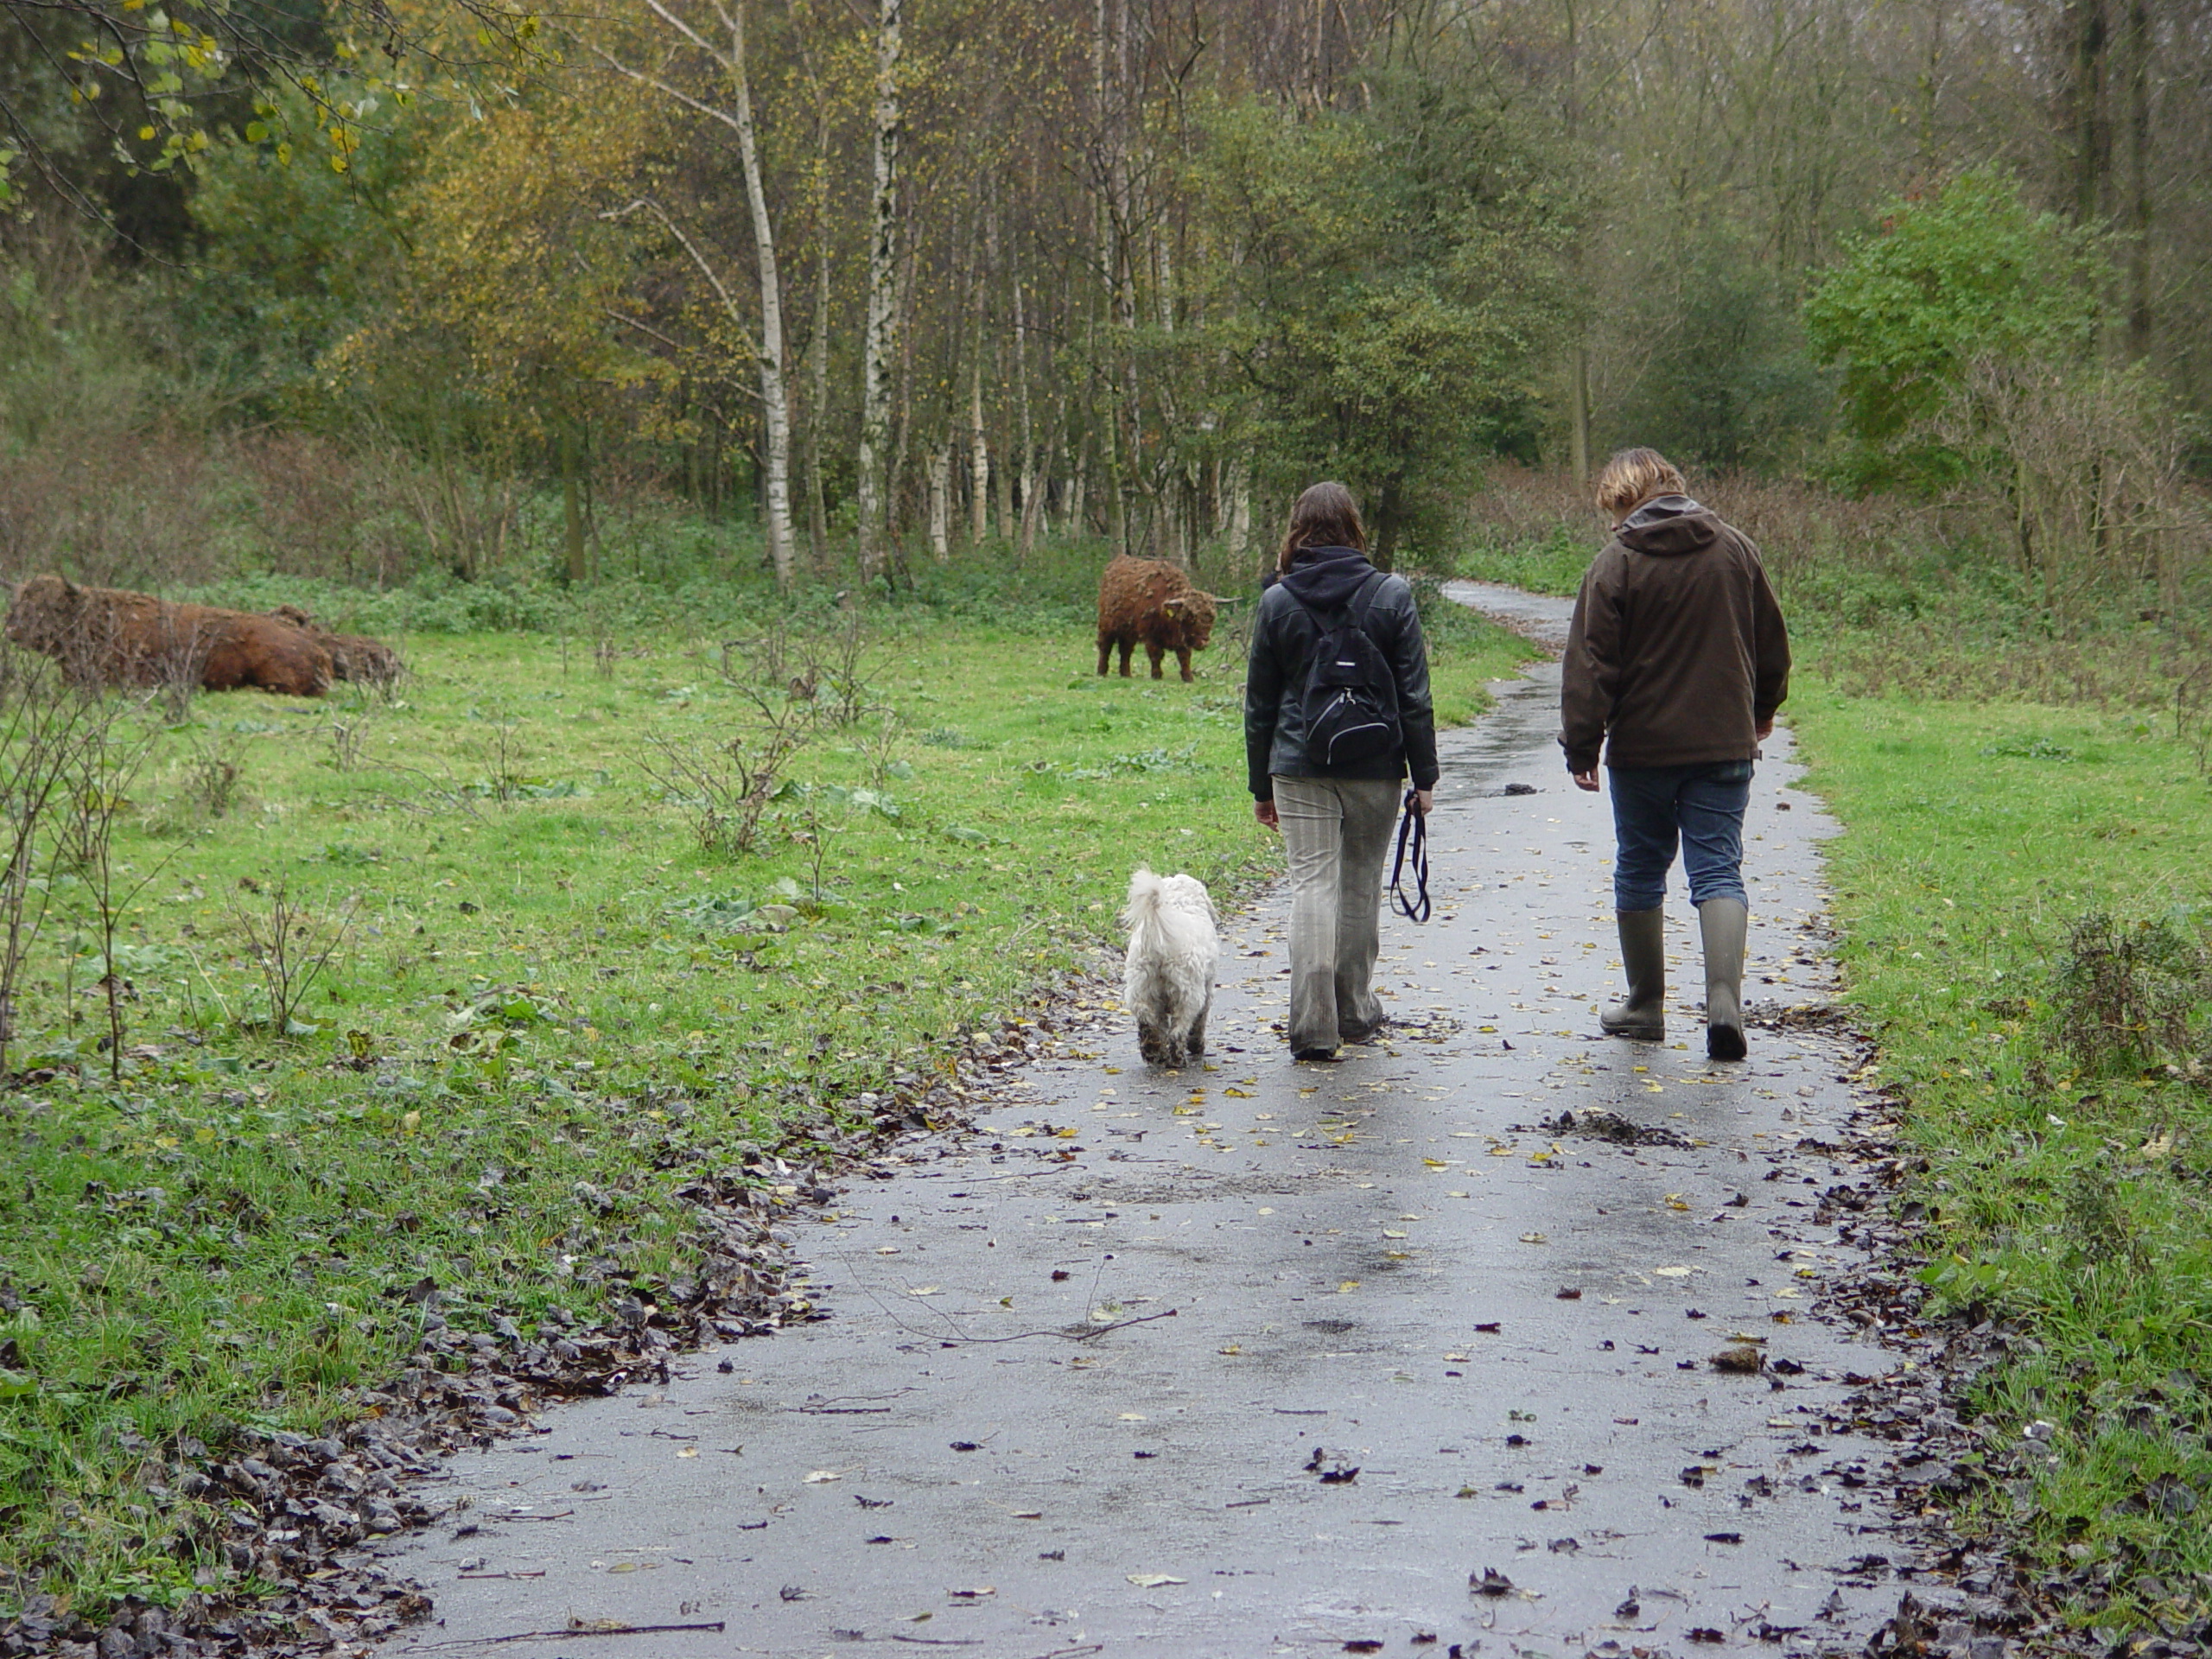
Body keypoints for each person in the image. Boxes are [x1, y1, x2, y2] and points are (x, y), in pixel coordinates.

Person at [1560, 448, 1790, 1060]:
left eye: (1614, 509)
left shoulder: (1617, 564)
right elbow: (1771, 644)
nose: (1611, 525)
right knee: (1717, 869)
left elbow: (1591, 664)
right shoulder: (1736, 549)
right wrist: (1762, 711)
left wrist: (1582, 742)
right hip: (1723, 745)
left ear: (1627, 499)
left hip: (1643, 752)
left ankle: (1645, 1006)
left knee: (1640, 868)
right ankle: (1724, 1006)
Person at [1245, 482, 1438, 1062]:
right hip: (1375, 766)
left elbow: (1259, 705)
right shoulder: (1391, 594)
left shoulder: (1277, 602)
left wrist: (1262, 787)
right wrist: (1423, 777)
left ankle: (1311, 1023)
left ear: (1297, 530)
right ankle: (1354, 1010)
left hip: (1298, 766)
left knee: (1311, 884)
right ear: (1354, 528)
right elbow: (1415, 697)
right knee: (1358, 883)